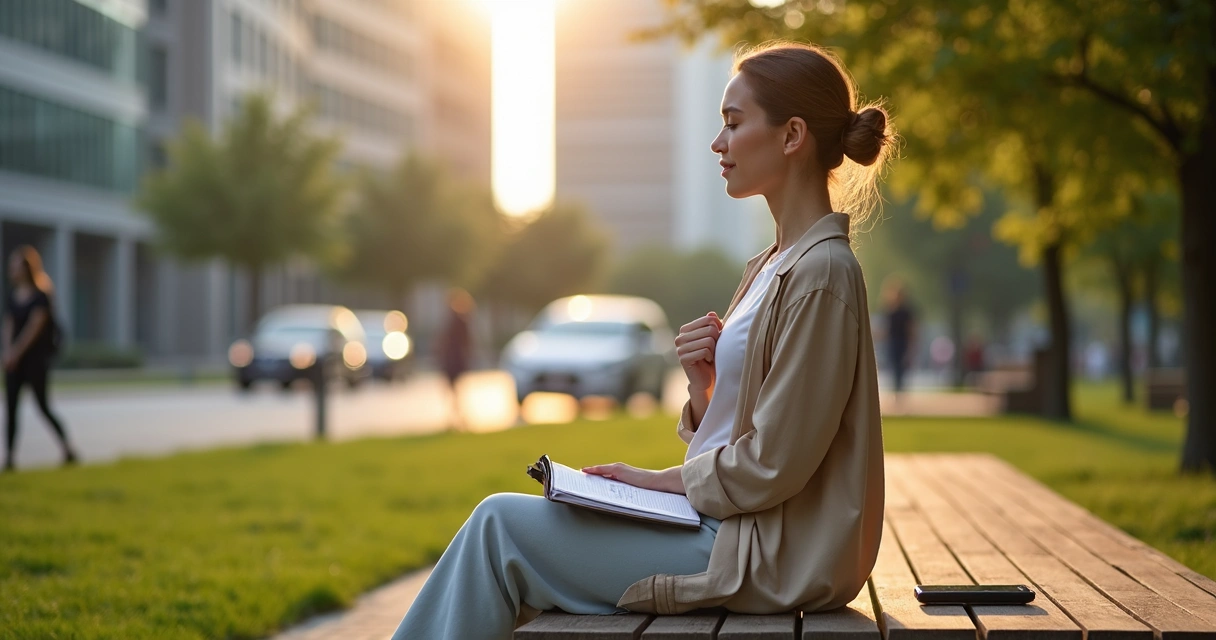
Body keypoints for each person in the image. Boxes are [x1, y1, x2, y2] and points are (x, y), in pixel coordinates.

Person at [391, 41, 892, 639]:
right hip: (732, 530)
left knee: (498, 527)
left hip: (762, 555)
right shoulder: (770, 265)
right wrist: (705, 391)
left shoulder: (821, 274)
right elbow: (752, 435)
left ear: (792, 136)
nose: (718, 143)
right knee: (505, 527)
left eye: (733, 124)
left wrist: (654, 482)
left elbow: (774, 465)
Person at [3, 245, 77, 471]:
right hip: (13, 362)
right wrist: (7, 352)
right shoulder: (12, 296)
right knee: (11, 409)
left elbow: (33, 328)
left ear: (27, 269)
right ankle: (10, 458)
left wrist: (15, 352)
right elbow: (7, 326)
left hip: (34, 361)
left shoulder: (41, 297)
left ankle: (68, 449)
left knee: (43, 407)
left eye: (16, 266)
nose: (12, 270)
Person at [433, 288, 475, 430]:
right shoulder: (457, 319)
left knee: (454, 389)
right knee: (453, 390)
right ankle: (458, 417)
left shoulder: (458, 320)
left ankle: (458, 417)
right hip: (453, 359)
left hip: (454, 359)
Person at [881, 277, 917, 397]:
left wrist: (911, 345)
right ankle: (896, 392)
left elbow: (910, 328)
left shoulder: (907, 311)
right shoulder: (889, 310)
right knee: (894, 367)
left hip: (902, 341)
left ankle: (900, 392)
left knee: (901, 368)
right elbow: (886, 328)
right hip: (892, 341)